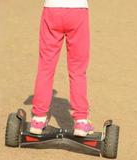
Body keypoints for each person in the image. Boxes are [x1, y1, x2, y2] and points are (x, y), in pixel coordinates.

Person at [30, 0, 93, 136]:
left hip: (52, 10)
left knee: (46, 67)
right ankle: (81, 120)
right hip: (78, 11)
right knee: (78, 69)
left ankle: (38, 118)